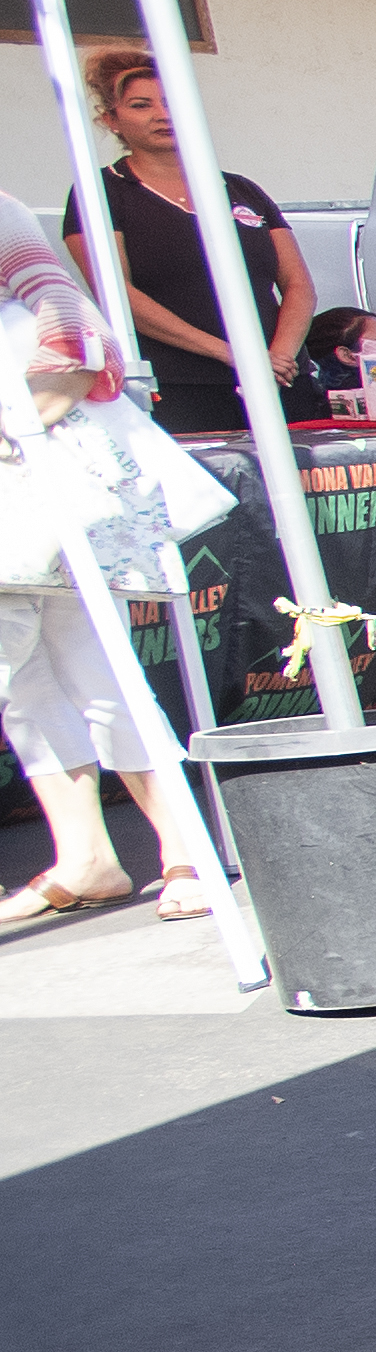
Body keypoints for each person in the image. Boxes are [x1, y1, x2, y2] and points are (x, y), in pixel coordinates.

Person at [1, 184, 184, 926]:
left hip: (36, 479)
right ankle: (86, 857)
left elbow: (73, 334)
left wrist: (19, 430)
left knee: (95, 665)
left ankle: (184, 850)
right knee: (23, 686)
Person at [78, 43, 310, 444]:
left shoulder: (241, 189)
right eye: (140, 105)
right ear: (111, 120)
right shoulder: (103, 192)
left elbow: (298, 285)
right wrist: (233, 354)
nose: (162, 115)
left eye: (171, 101)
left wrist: (280, 356)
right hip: (184, 387)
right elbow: (116, 291)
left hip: (281, 378)